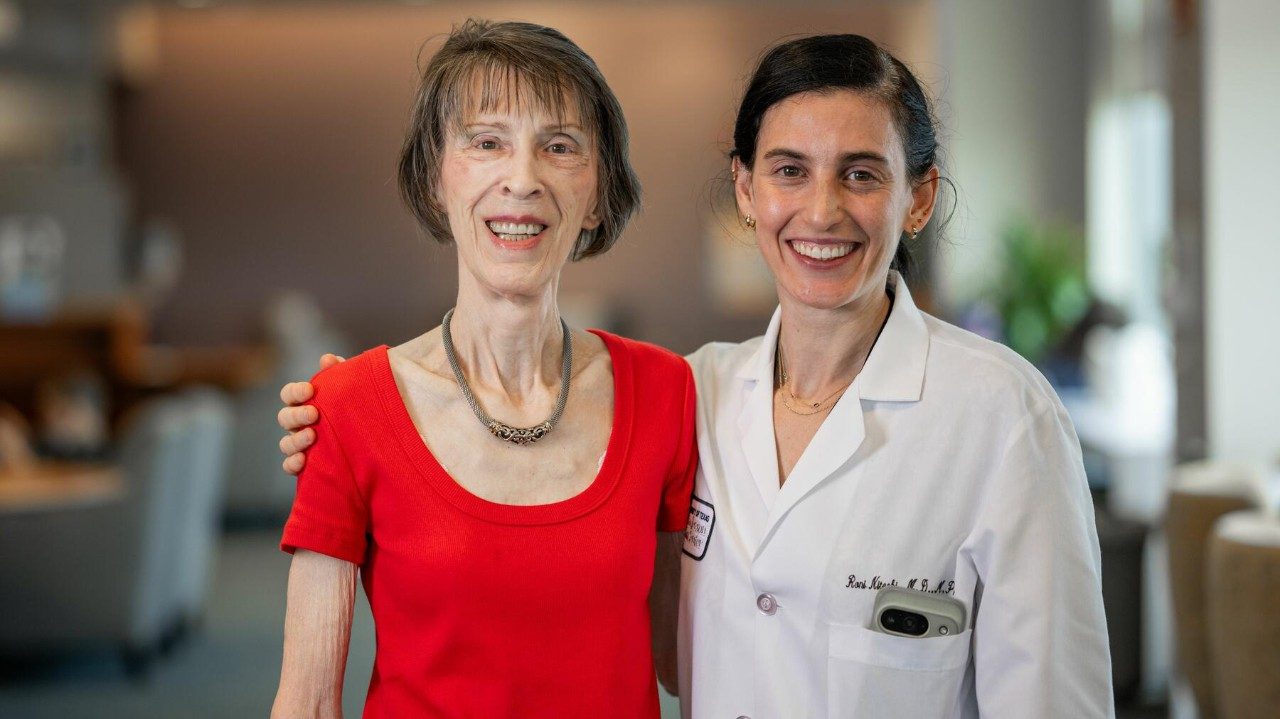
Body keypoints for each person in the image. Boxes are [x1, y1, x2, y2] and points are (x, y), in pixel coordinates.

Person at [279, 32, 1114, 718]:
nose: (821, 211)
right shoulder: (701, 390)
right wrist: (342, 415)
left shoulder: (1002, 417)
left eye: (861, 173)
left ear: (919, 197)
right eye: (790, 170)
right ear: (746, 191)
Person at [269, 20, 695, 718]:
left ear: (597, 190)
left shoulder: (667, 391)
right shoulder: (344, 407)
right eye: (486, 142)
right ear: (436, 177)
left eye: (558, 146)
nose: (521, 179)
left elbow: (685, 657)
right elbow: (308, 703)